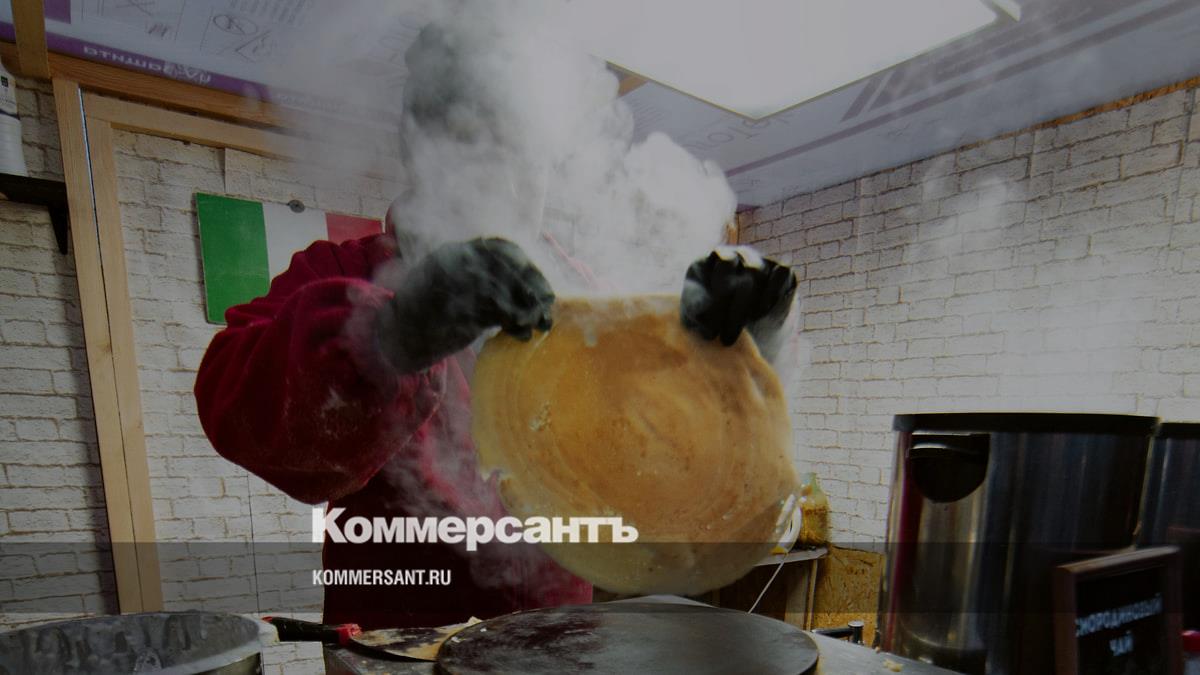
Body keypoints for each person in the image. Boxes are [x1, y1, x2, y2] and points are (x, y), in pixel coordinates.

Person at [194, 25, 797, 631]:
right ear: (416, 146)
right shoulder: (346, 273)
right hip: (396, 651)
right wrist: (393, 334)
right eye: (474, 145)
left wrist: (737, 352)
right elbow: (231, 401)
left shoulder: (580, 288)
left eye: (525, 153)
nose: (505, 181)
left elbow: (663, 450)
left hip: (556, 645)